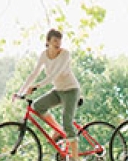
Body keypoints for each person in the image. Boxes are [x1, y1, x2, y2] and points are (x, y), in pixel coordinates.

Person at [18, 28, 81, 160]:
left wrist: (37, 85)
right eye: (55, 41)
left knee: (67, 122)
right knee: (37, 106)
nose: (58, 44)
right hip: (58, 90)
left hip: (71, 90)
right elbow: (34, 73)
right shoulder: (43, 55)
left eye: (60, 41)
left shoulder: (65, 54)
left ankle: (75, 158)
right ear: (48, 41)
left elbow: (55, 74)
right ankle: (59, 131)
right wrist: (20, 92)